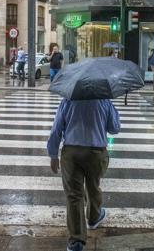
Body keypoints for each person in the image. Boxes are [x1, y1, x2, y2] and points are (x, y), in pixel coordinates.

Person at [47, 99, 121, 251]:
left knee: (74, 195)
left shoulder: (68, 101)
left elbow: (56, 130)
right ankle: (94, 218)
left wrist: (53, 155)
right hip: (96, 152)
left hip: (72, 153)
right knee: (93, 186)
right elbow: (115, 128)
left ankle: (76, 241)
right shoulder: (104, 101)